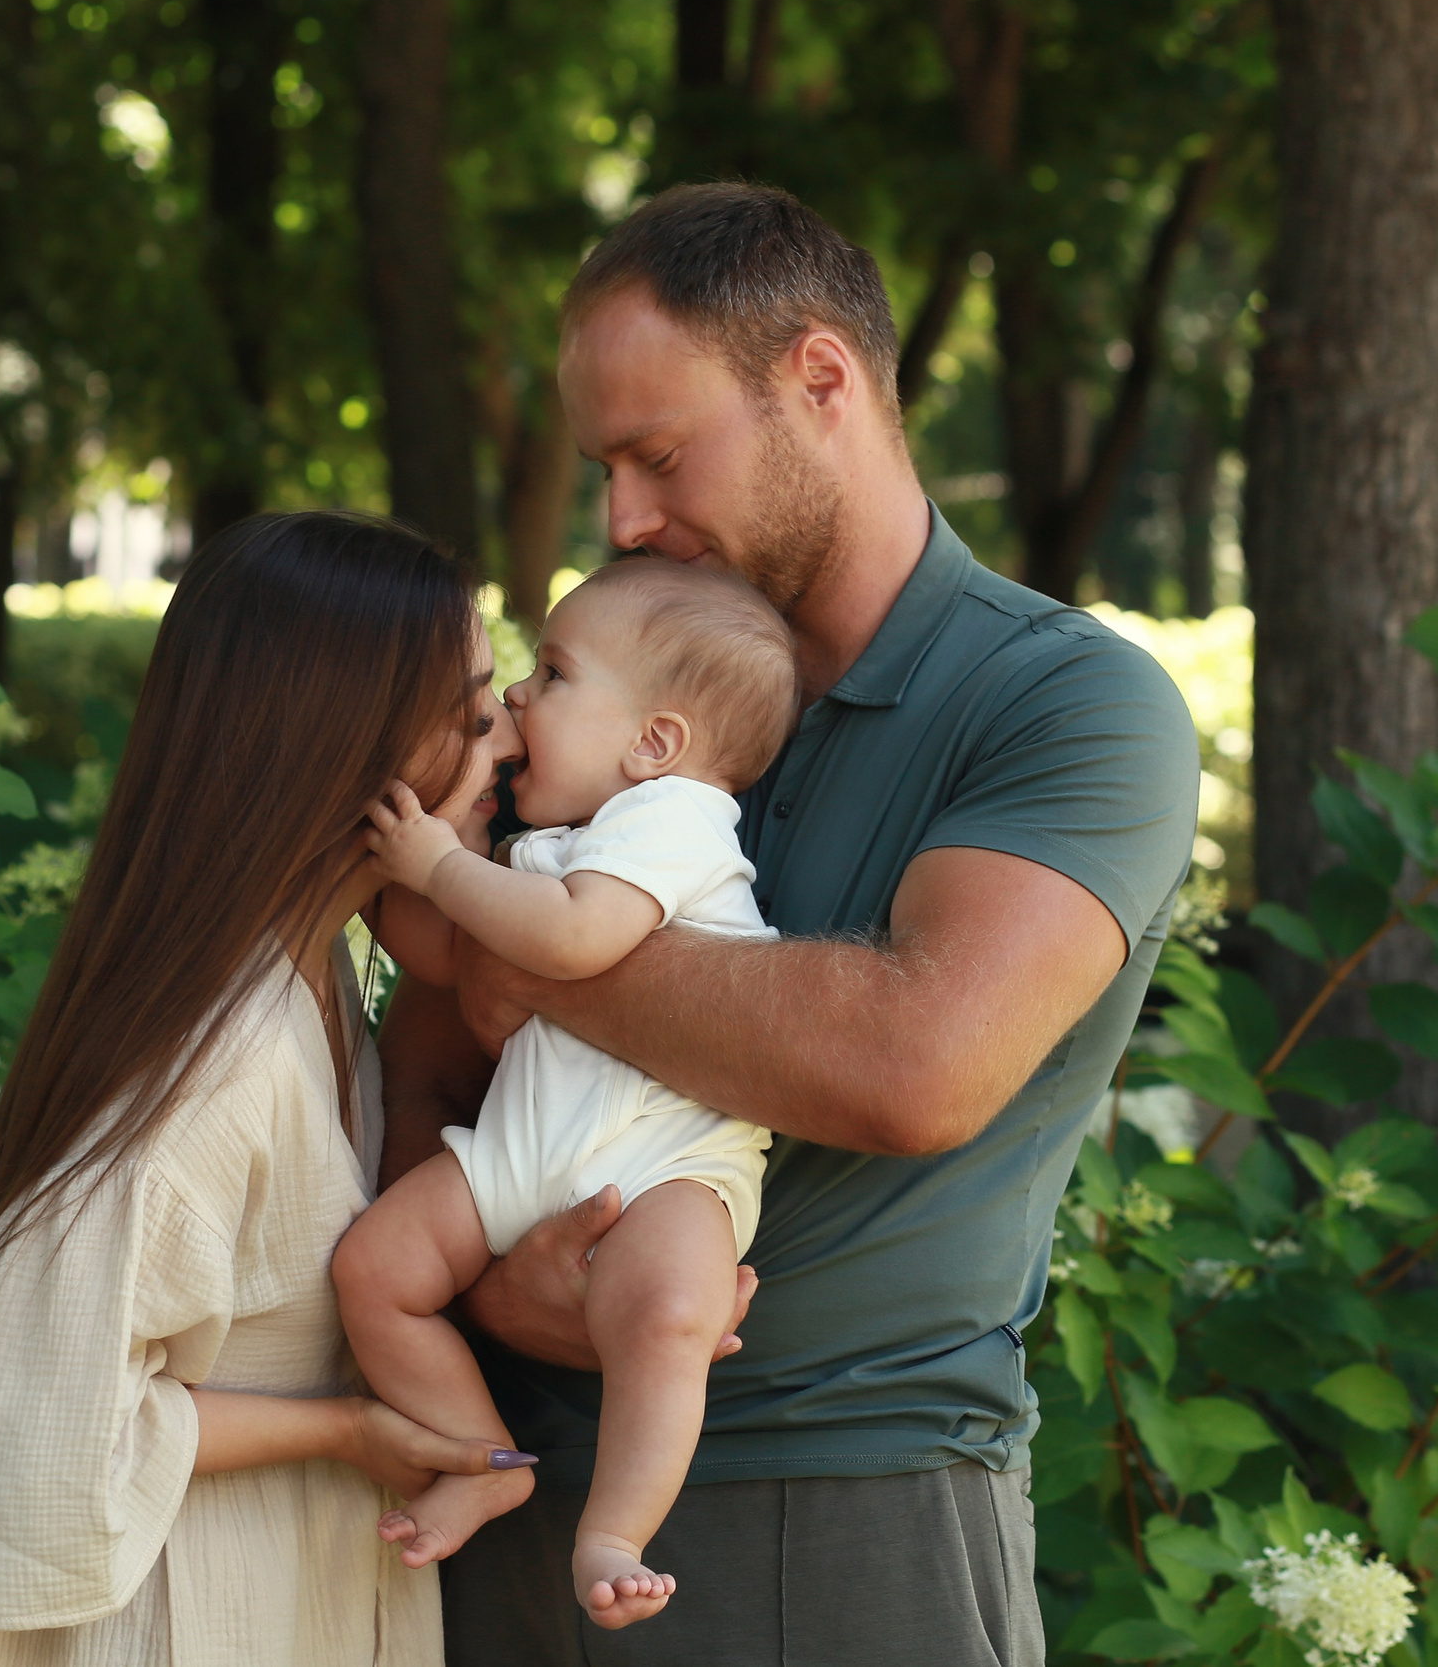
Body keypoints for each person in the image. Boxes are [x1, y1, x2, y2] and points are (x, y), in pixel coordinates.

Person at [380, 184, 1203, 1665]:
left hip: (848, 1498)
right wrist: (487, 1279)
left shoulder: (1066, 705)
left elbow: (913, 1064)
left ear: (820, 379)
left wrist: (530, 947)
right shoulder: (602, 676)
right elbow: (427, 1053)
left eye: (657, 455)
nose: (624, 518)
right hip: (503, 1484)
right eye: (605, 469)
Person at [0, 512, 529, 1667]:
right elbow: (48, 1423)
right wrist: (342, 1427)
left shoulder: (316, 970)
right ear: (349, 744)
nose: (508, 745)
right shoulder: (216, 1055)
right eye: (472, 717)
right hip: (181, 1608)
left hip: (285, 1577)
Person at [334, 559, 801, 1629]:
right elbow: (449, 956)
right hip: (526, 1145)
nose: (515, 694)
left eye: (552, 673)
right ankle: (484, 1456)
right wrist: (386, 864)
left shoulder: (675, 818)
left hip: (665, 1157)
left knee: (667, 1316)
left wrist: (437, 865)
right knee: (374, 1271)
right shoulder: (569, 839)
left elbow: (575, 939)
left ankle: (615, 1532)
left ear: (655, 743)